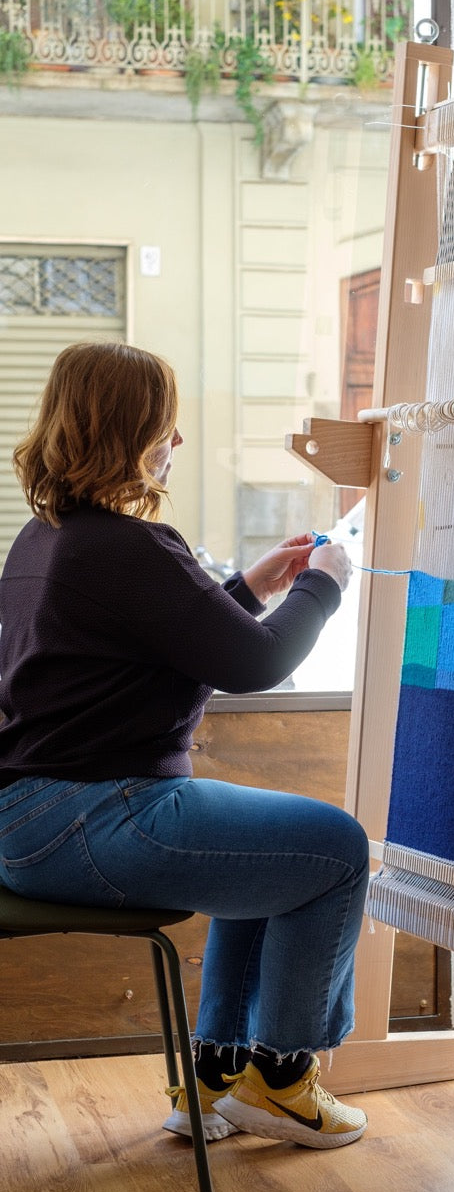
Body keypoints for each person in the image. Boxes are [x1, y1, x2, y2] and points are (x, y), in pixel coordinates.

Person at [0, 341, 370, 1148]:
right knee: (338, 850)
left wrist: (250, 589)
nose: (175, 441)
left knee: (274, 856)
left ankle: (213, 1080)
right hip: (98, 817)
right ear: (129, 432)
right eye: (164, 425)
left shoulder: (43, 540)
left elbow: (156, 647)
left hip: (29, 823)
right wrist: (324, 583)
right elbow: (255, 665)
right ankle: (281, 1080)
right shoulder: (133, 546)